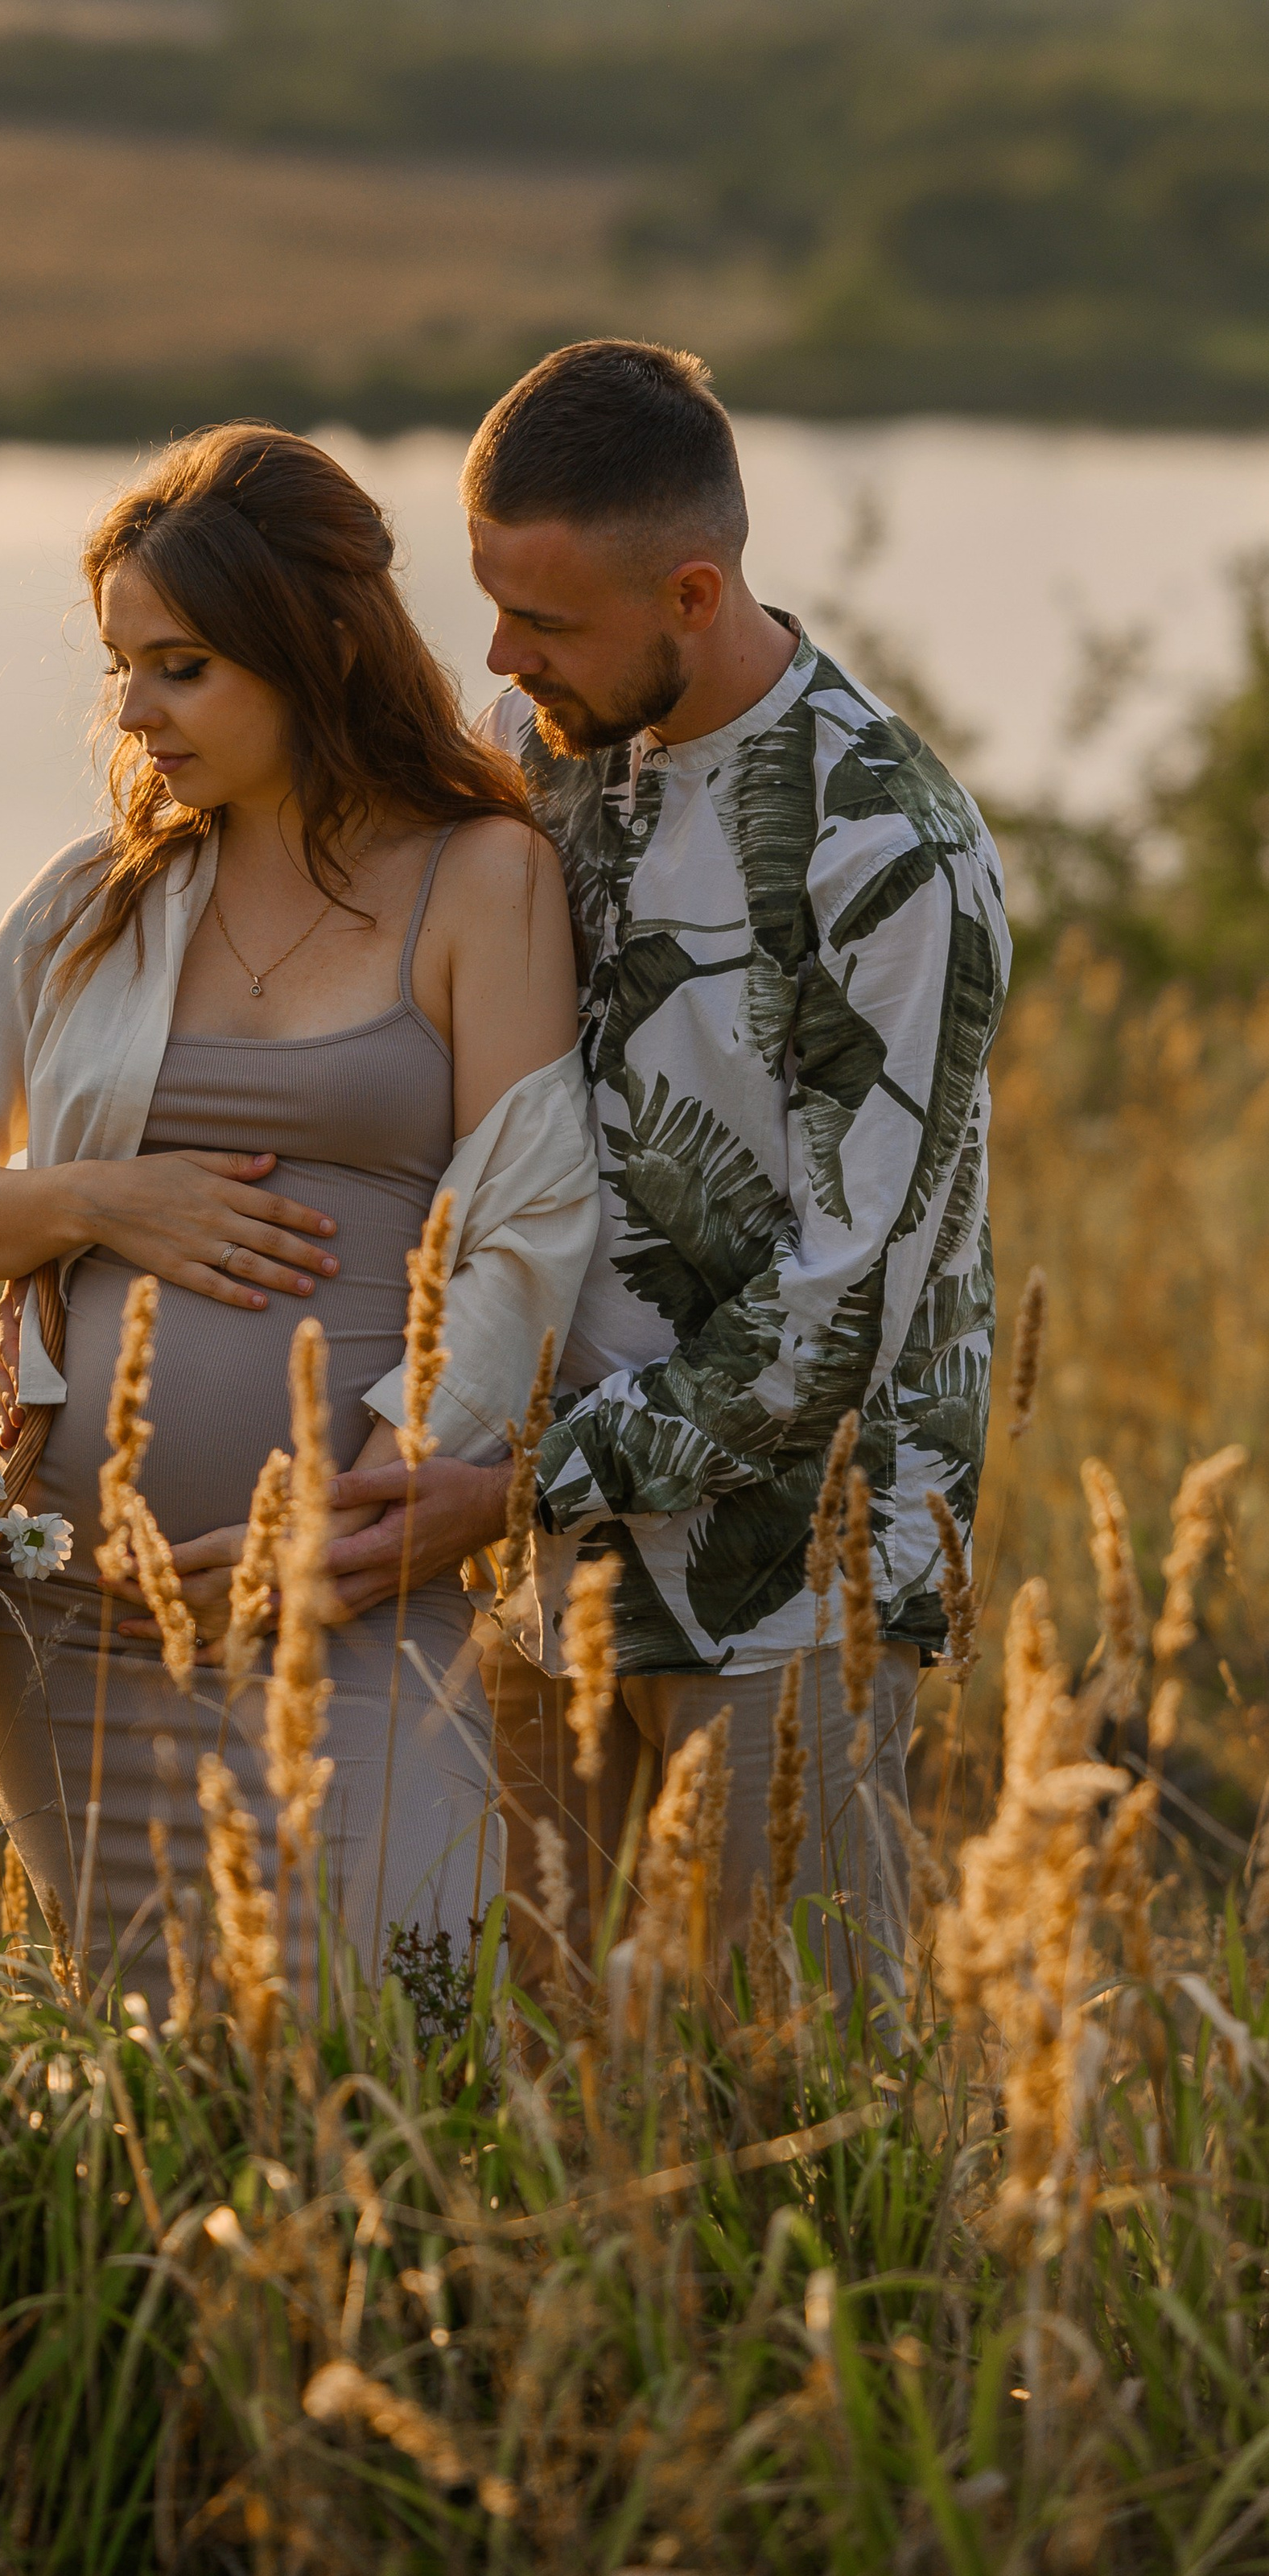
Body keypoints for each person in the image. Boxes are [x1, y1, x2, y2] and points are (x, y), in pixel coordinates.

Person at [227, 341, 1012, 2005]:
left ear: (693, 587)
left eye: (547, 619)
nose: (498, 657)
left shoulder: (889, 858)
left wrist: (503, 1485)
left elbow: (832, 1311)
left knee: (798, 2103)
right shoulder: (533, 738)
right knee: (536, 2084)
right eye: (488, 602)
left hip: (790, 1587)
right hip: (529, 1572)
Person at [0, 422, 596, 1992]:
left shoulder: (478, 877)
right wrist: (94, 1199)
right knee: (152, 2075)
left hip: (354, 1599)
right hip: (73, 1616)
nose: (133, 709)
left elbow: (522, 1230)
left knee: (388, 2020)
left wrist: (355, 1524)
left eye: (180, 665)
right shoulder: (89, 902)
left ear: (316, 642)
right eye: (124, 666)